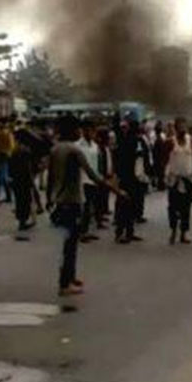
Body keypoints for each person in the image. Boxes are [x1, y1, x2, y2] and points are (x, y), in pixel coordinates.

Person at [46, 115, 125, 297]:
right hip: (72, 201)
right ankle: (65, 283)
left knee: (69, 242)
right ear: (74, 130)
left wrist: (49, 199)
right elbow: (94, 176)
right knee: (70, 244)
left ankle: (70, 278)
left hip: (59, 200)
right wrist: (117, 191)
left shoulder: (55, 149)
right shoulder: (75, 151)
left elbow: (50, 178)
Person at [166, 120, 192, 245]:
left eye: (184, 127)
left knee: (186, 208)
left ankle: (183, 233)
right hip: (174, 179)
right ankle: (173, 231)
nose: (182, 130)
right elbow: (163, 159)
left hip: (188, 178)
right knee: (173, 207)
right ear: (176, 129)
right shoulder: (169, 142)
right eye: (179, 127)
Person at [77, 120, 102, 243]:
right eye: (86, 130)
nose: (89, 133)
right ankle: (81, 233)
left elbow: (96, 164)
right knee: (84, 208)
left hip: (93, 180)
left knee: (91, 207)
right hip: (82, 180)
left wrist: (99, 177)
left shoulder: (95, 146)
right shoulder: (77, 145)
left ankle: (85, 231)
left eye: (92, 131)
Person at [9, 127, 37, 233]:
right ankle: (23, 222)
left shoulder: (15, 150)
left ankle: (22, 221)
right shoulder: (26, 150)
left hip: (16, 179)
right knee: (25, 200)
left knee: (19, 200)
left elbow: (11, 165)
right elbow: (29, 167)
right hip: (24, 179)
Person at [0, 118, 15, 205]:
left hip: (2, 156)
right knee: (3, 177)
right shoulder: (8, 134)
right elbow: (12, 146)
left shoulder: (1, 134)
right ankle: (8, 196)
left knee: (1, 178)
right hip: (5, 156)